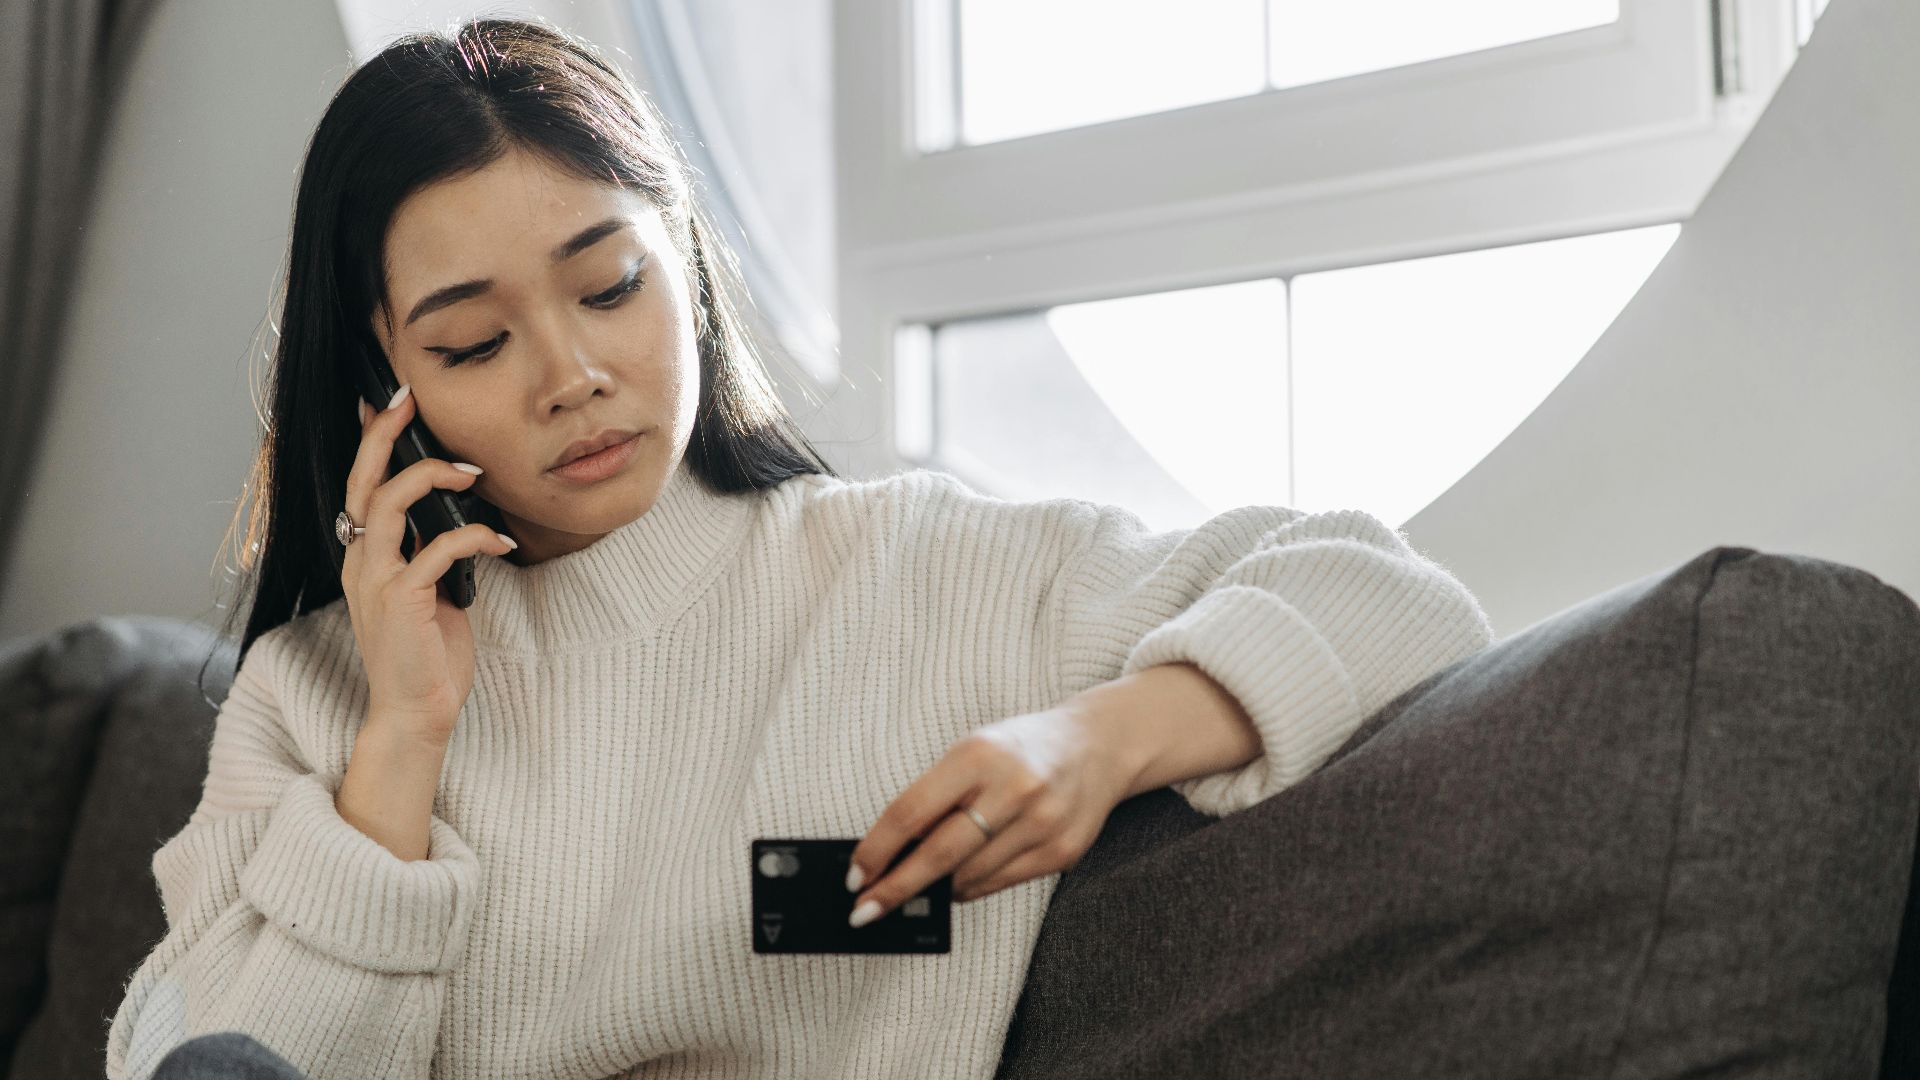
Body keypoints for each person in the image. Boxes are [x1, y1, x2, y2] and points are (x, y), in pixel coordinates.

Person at [104, 16, 1495, 1080]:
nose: (573, 372)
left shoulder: (920, 577)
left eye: (610, 286)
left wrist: (1102, 741)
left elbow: (1389, 595)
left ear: (689, 268)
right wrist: (403, 740)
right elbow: (211, 1060)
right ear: (381, 388)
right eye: (474, 342)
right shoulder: (315, 697)